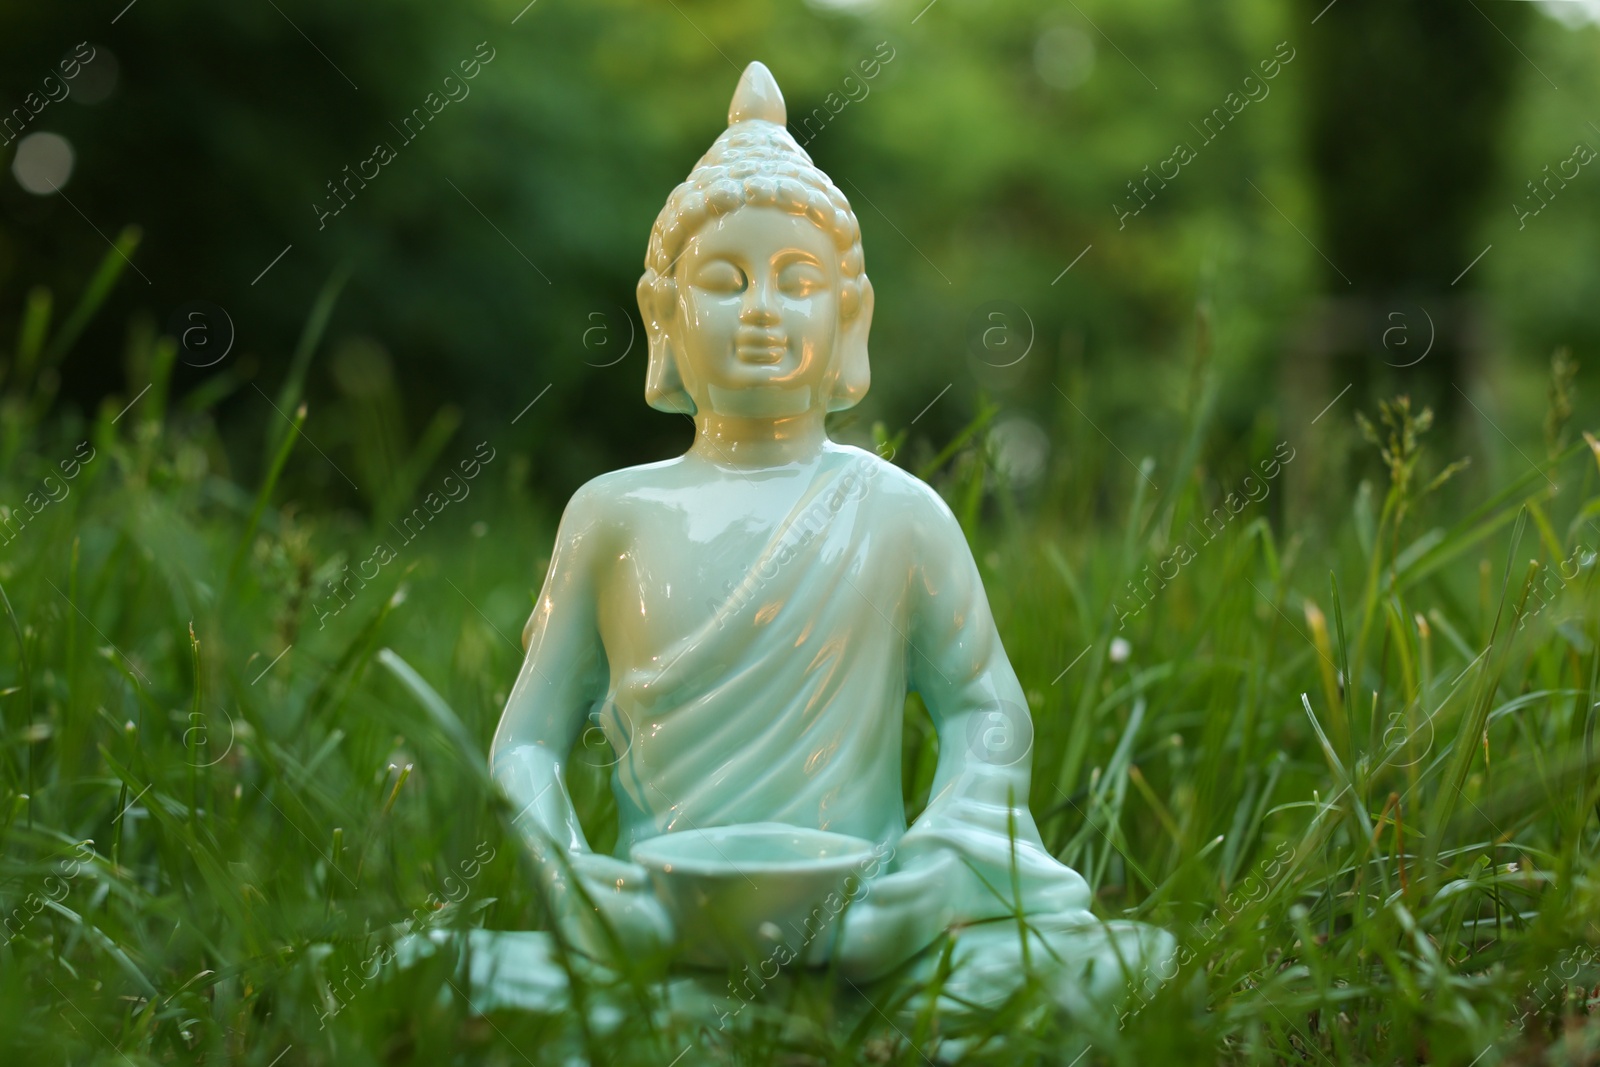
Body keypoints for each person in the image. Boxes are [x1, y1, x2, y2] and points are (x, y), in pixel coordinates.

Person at [484, 60, 1169, 1012]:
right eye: (724, 281)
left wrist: (938, 856)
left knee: (1102, 967)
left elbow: (985, 712)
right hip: (663, 920)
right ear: (663, 315)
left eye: (795, 280)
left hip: (866, 921)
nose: (762, 307)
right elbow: (525, 744)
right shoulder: (612, 515)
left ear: (851, 316)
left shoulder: (898, 511)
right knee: (450, 974)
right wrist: (568, 879)